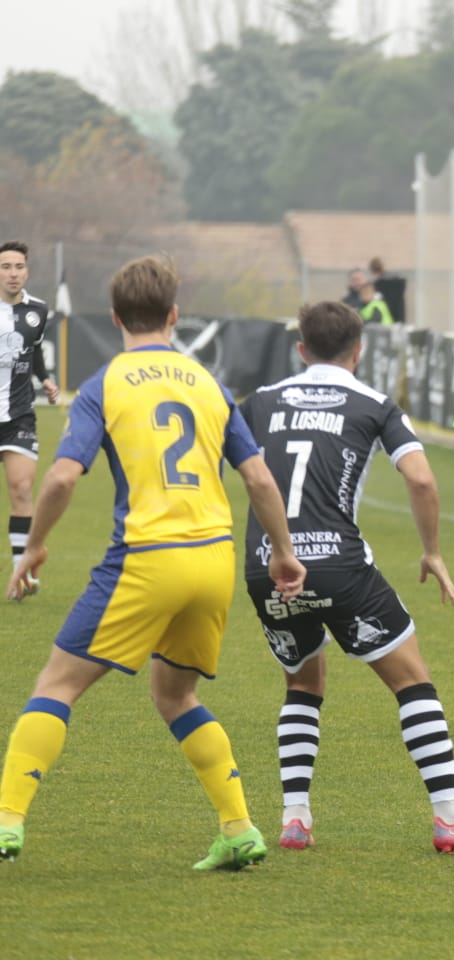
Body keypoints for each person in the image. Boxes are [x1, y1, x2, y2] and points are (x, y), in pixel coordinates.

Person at [0, 255, 307, 870]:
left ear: (114, 317)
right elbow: (260, 481)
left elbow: (60, 479)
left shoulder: (107, 384)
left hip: (147, 557)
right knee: (175, 693)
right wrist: (283, 552)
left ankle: (7, 820)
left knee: (56, 686)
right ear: (174, 315)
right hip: (214, 561)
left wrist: (33, 544)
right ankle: (239, 827)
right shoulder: (210, 384)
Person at [239, 300, 454, 854]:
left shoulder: (259, 403)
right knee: (412, 682)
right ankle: (451, 818)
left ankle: (295, 818)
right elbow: (422, 480)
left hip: (267, 567)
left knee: (302, 684)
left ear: (300, 349)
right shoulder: (373, 404)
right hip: (338, 567)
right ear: (358, 351)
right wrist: (431, 551)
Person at [0, 241, 60, 597]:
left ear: (27, 271)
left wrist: (46, 379)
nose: (12, 273)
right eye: (5, 267)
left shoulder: (38, 310)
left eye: (18, 266)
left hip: (19, 415)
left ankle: (20, 574)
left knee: (22, 489)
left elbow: (34, 349)